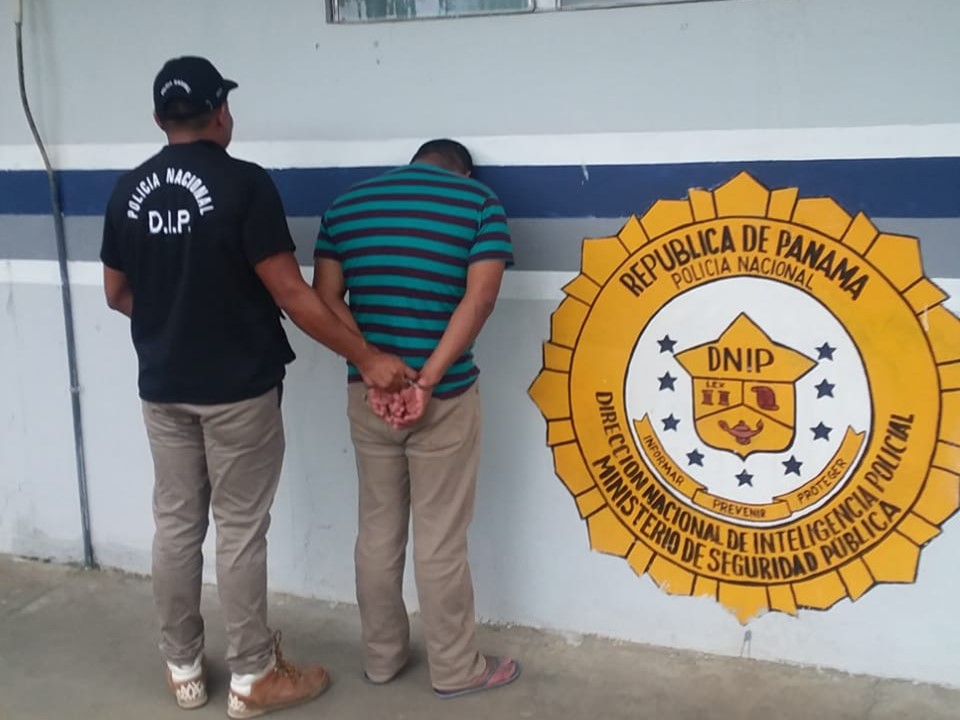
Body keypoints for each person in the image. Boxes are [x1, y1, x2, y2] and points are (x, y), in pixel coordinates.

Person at [100, 56, 414, 718]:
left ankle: (184, 670)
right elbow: (292, 294)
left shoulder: (128, 189)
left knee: (176, 525)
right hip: (238, 390)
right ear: (221, 112)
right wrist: (367, 356)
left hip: (163, 387)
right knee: (240, 530)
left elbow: (117, 293)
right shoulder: (243, 184)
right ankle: (252, 676)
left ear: (159, 119)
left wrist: (175, 324)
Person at [312, 139, 520, 698]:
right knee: (441, 539)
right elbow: (479, 300)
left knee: (377, 531)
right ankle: (456, 669)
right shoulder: (479, 204)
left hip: (370, 397)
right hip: (445, 398)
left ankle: (381, 659)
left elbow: (324, 297)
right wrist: (426, 380)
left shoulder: (347, 206)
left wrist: (375, 366)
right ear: (464, 171)